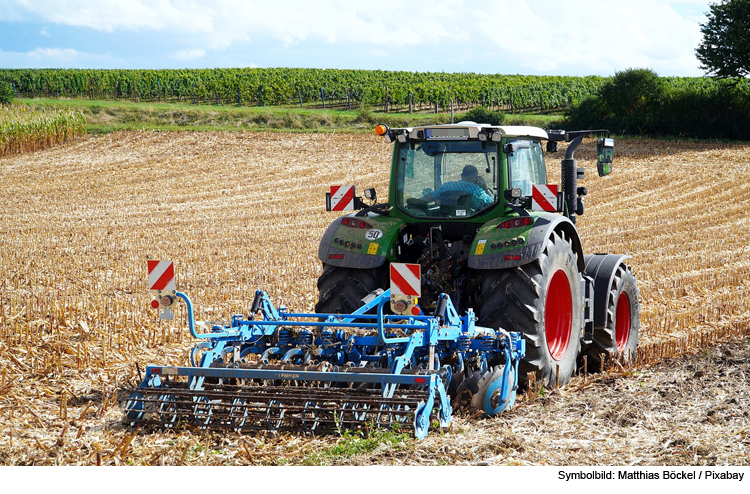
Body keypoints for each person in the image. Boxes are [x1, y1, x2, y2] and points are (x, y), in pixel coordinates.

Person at [409, 165, 493, 210]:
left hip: (444, 221)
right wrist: (485, 187)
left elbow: (429, 198)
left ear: (461, 176)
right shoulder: (477, 191)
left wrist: (414, 202)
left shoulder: (447, 186)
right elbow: (493, 203)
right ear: (476, 177)